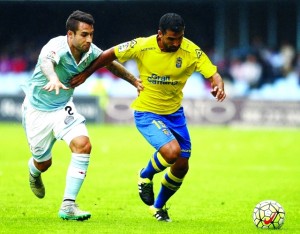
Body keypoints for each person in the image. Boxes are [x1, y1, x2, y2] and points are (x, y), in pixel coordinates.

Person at [70, 12, 226, 222]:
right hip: (147, 112)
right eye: (171, 38)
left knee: (181, 166)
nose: (176, 43)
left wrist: (218, 83)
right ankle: (145, 174)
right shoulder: (142, 45)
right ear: (159, 34)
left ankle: (158, 207)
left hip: (175, 114)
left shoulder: (191, 50)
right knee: (172, 153)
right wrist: (85, 74)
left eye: (179, 38)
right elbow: (109, 54)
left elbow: (212, 73)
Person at [22, 10, 143, 221]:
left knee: (83, 144)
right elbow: (46, 63)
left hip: (63, 108)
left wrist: (135, 81)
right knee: (44, 163)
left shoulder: (90, 51)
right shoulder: (55, 46)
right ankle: (34, 170)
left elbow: (110, 63)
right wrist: (52, 78)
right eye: (84, 34)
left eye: (91, 34)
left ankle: (68, 205)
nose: (89, 39)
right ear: (70, 35)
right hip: (37, 111)